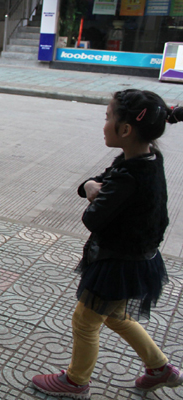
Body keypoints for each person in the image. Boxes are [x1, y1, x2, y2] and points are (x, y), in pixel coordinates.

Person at [31, 90, 183, 399]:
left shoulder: (129, 176)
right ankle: (159, 368)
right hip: (139, 259)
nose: (104, 124)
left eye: (107, 117)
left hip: (118, 263)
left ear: (125, 129)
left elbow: (93, 218)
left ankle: (76, 381)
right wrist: (89, 185)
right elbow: (102, 179)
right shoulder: (146, 159)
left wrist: (91, 191)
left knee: (85, 320)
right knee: (114, 315)